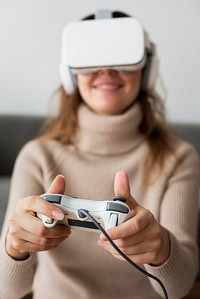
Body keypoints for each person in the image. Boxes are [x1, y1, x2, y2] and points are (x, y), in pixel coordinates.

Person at [0, 9, 199, 299]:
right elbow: (7, 291)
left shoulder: (179, 159)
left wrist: (162, 249)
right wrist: (14, 248)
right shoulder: (37, 155)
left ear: (146, 70)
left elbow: (178, 289)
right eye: (91, 59)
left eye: (121, 57)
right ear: (70, 73)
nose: (106, 69)